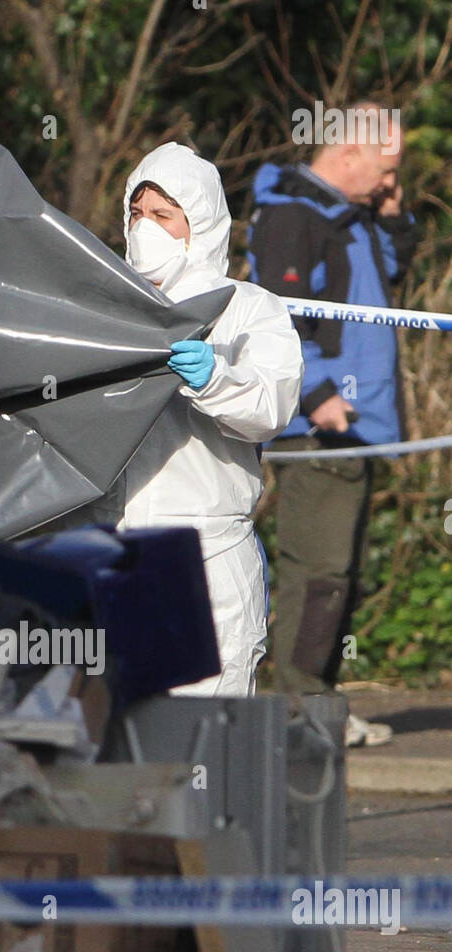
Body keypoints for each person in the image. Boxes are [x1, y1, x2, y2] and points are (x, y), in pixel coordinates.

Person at [247, 103, 418, 744]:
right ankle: (295, 709)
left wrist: (393, 213)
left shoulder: (354, 218)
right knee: (317, 568)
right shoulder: (294, 213)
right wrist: (317, 391)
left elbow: (390, 276)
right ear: (348, 155)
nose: (386, 183)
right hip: (323, 420)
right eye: (383, 169)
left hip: (360, 421)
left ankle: (317, 699)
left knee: (340, 570)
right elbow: (278, 311)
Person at [114, 142, 304, 696]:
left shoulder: (248, 308)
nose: (144, 228)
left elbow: (272, 405)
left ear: (199, 224)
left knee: (206, 749)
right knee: (122, 756)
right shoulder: (103, 307)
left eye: (162, 215)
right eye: (136, 213)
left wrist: (215, 378)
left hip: (205, 559)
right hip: (116, 556)